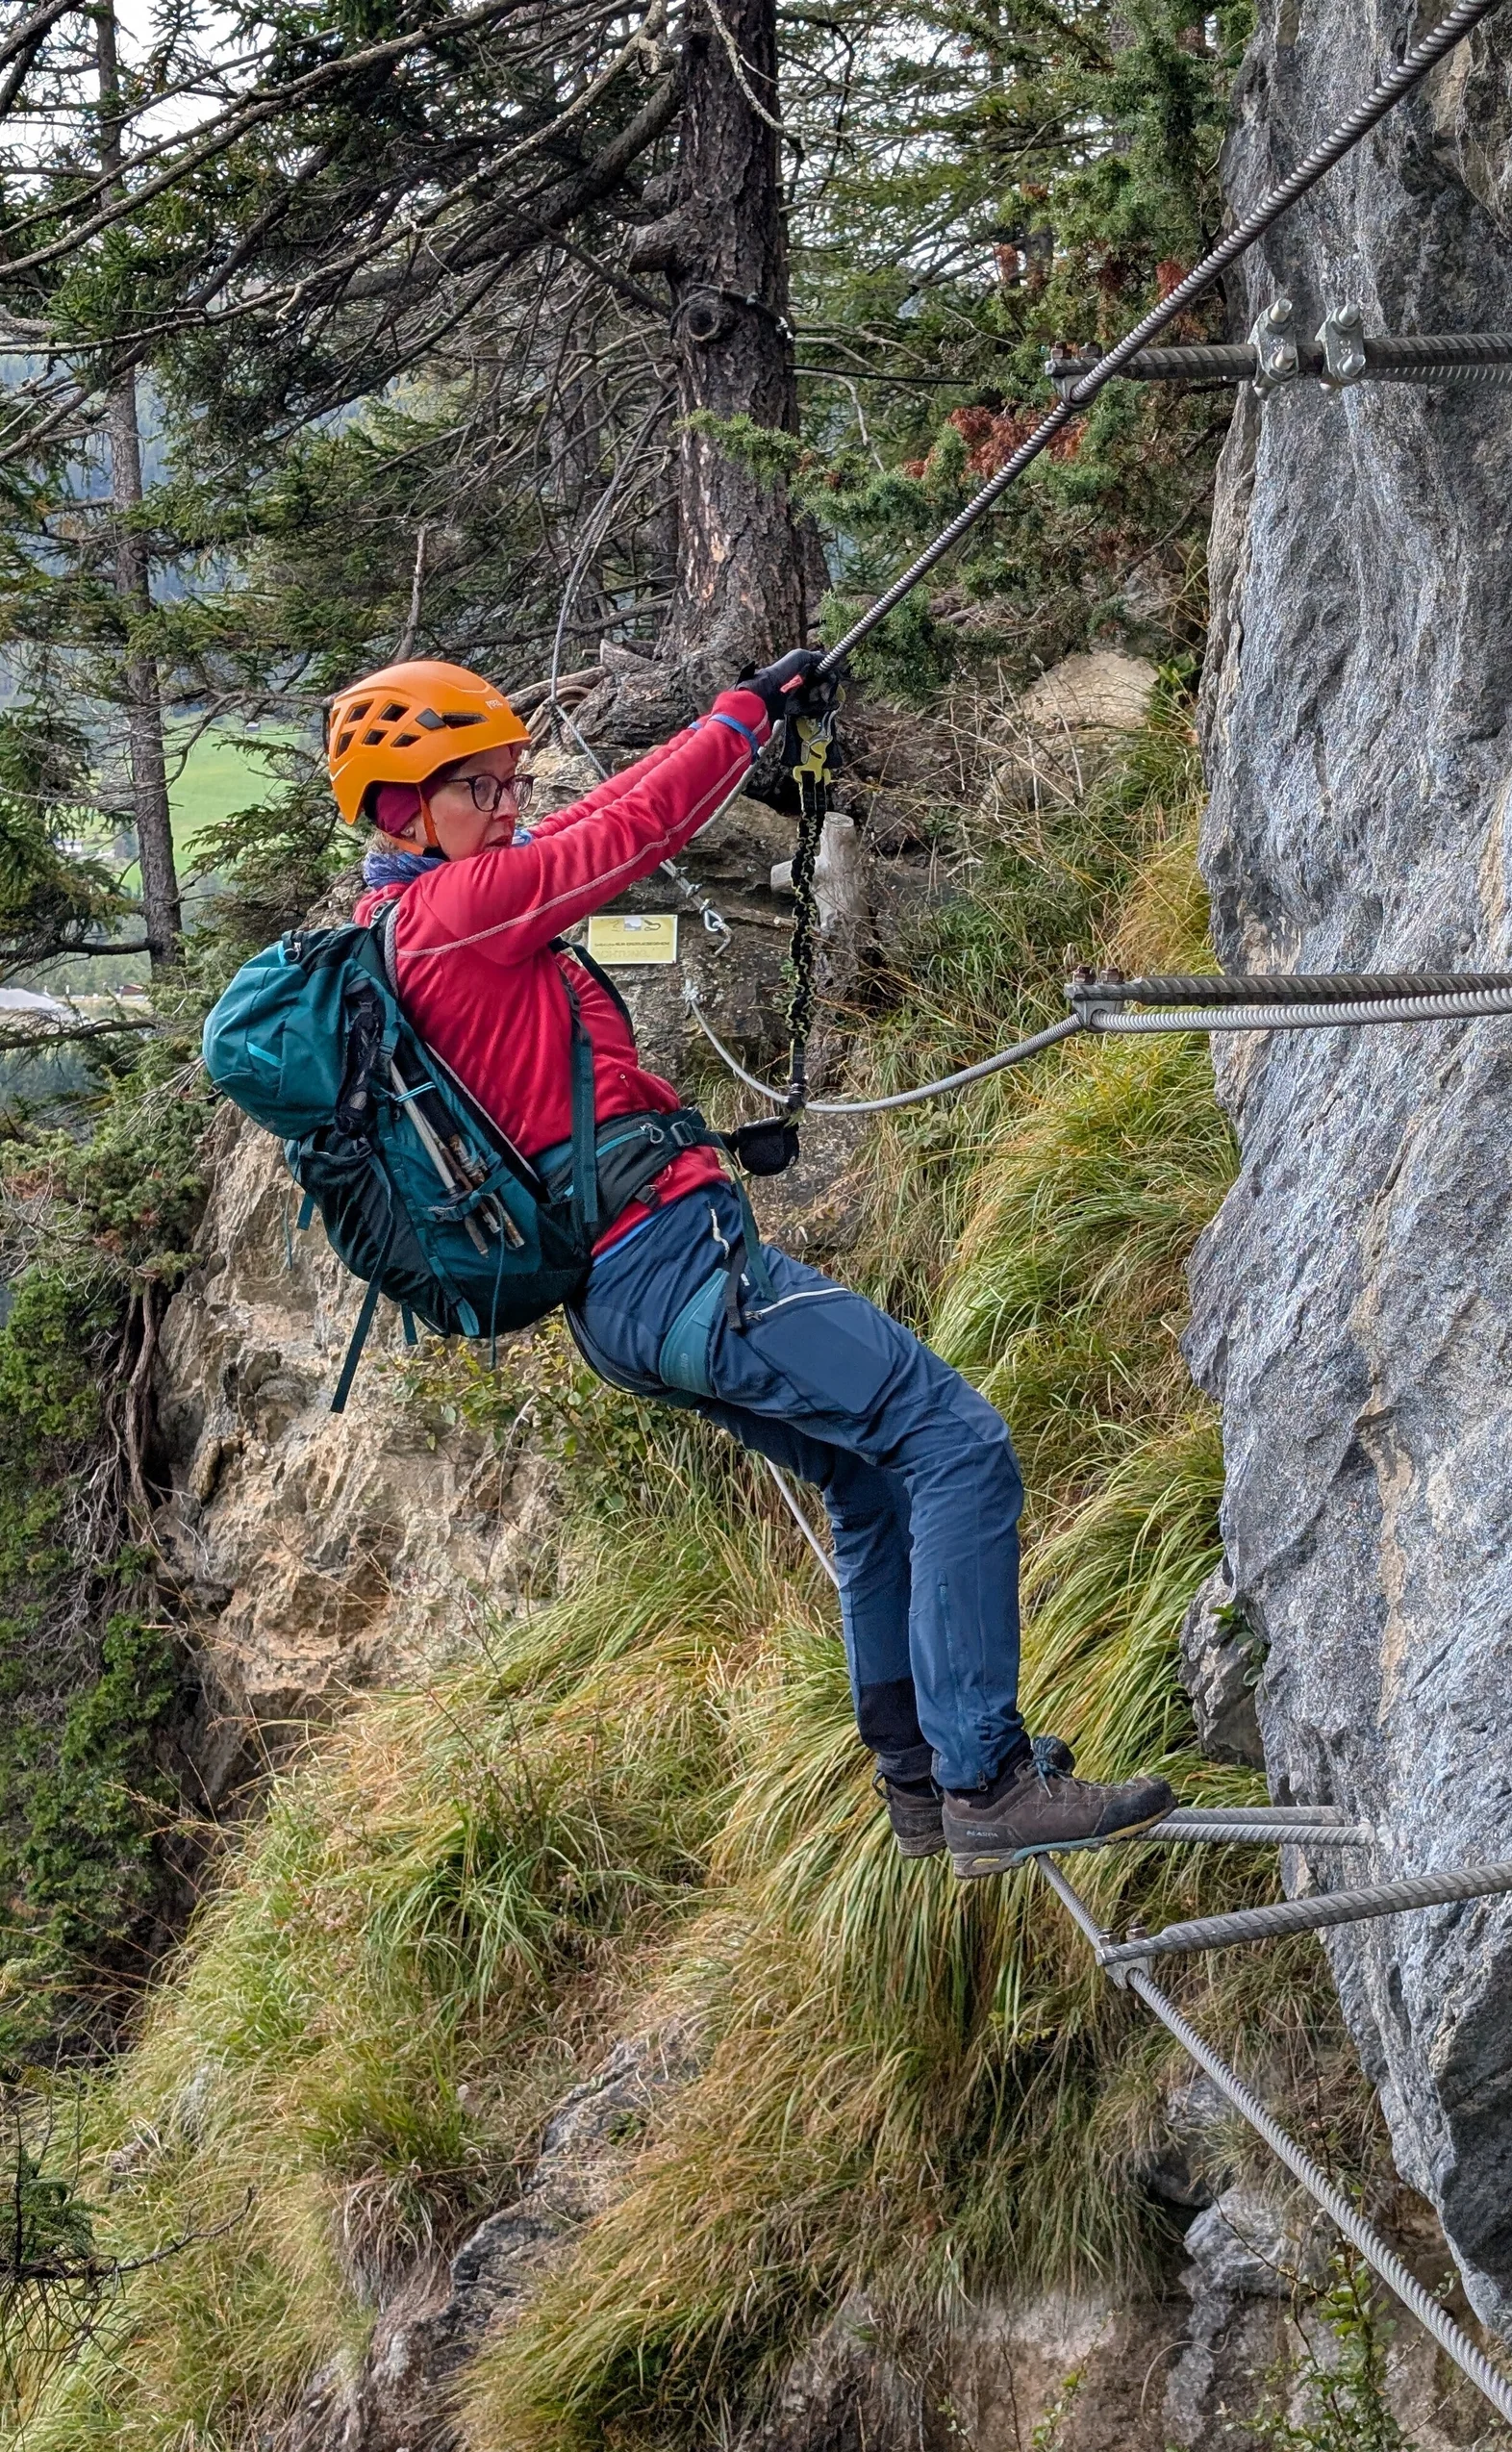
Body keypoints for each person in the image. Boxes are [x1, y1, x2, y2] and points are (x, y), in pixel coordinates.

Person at [330, 651, 1175, 1876]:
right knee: (955, 1444)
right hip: (672, 1264)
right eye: (480, 788)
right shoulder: (454, 919)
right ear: (404, 809)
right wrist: (740, 721)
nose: (509, 808)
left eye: (513, 782)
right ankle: (986, 1777)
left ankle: (922, 1786)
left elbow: (572, 829)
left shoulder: (406, 927)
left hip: (632, 1295)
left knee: (872, 1487)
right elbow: (613, 837)